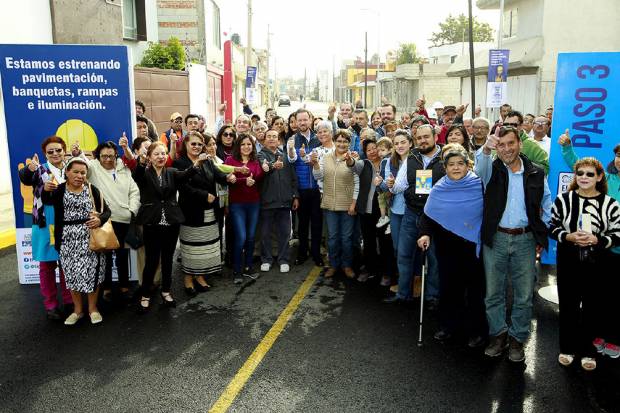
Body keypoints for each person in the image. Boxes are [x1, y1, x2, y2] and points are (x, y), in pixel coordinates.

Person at [474, 126, 552, 363]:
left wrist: (540, 234)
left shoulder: (536, 173)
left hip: (525, 240)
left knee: (524, 295)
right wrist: (486, 148)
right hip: (495, 239)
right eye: (501, 144)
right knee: (493, 293)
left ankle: (518, 339)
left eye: (511, 143)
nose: (506, 149)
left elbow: (546, 204)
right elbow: (480, 168)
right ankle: (498, 335)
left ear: (520, 143)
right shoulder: (491, 169)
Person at [549, 157, 620, 370]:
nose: (584, 177)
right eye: (580, 173)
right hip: (568, 260)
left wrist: (598, 240)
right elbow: (551, 227)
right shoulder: (563, 200)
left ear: (599, 177)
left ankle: (589, 352)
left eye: (590, 174)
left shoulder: (610, 203)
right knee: (569, 305)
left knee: (594, 307)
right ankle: (567, 348)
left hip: (599, 262)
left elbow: (618, 233)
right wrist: (568, 237)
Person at [417, 144, 487, 347]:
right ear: (445, 167)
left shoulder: (479, 184)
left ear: (468, 165)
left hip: (473, 245)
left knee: (475, 290)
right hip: (447, 245)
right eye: (451, 165)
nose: (456, 168)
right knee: (449, 288)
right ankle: (448, 327)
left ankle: (477, 331)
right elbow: (427, 216)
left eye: (460, 164)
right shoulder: (439, 188)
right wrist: (424, 234)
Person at [132, 142, 201, 312]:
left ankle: (166, 291)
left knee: (167, 259)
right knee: (151, 261)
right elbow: (136, 176)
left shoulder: (171, 172)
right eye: (156, 154)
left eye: (163, 154)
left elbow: (186, 174)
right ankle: (146, 295)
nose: (161, 157)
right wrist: (140, 162)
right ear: (149, 157)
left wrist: (197, 164)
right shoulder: (144, 173)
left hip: (172, 222)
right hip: (152, 222)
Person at [42, 156, 110, 325]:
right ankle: (78, 311)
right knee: (72, 276)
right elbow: (46, 200)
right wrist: (44, 189)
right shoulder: (59, 190)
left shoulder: (92, 189)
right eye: (76, 172)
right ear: (67, 172)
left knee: (93, 274)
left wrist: (100, 220)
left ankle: (93, 309)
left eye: (83, 173)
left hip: (91, 239)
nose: (80, 175)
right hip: (67, 240)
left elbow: (107, 211)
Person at [385, 125, 443, 306]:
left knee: (434, 258)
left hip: (435, 215)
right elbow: (400, 185)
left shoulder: (445, 156)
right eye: (419, 138)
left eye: (426, 136)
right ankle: (403, 294)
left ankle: (432, 297)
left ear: (435, 136)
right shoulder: (412, 157)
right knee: (403, 254)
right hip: (412, 212)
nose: (423, 140)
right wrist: (391, 185)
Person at [18, 136, 73, 320]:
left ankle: (69, 301)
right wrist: (29, 168)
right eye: (50, 152)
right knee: (47, 266)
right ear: (44, 154)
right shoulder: (39, 169)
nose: (55, 154)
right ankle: (51, 305)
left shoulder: (71, 168)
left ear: (64, 150)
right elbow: (26, 178)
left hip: (66, 222)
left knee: (67, 264)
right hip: (44, 221)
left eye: (58, 150)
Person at [174, 132, 232, 296]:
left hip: (209, 212)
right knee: (191, 247)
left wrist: (229, 177)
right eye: (193, 144)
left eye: (200, 144)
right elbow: (183, 187)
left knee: (205, 247)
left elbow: (217, 175)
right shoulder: (180, 162)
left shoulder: (207, 160)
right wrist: (203, 195)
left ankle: (200, 276)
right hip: (191, 212)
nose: (197, 147)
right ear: (186, 145)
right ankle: (188, 279)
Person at [84, 141, 140, 303]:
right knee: (105, 256)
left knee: (122, 254)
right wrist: (78, 154)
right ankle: (106, 288)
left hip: (123, 218)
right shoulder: (93, 168)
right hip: (103, 220)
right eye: (104, 156)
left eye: (111, 156)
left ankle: (124, 286)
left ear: (116, 155)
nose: (108, 159)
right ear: (98, 156)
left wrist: (131, 211)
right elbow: (81, 168)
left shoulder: (124, 169)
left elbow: (134, 192)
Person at [312, 129, 359, 278]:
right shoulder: (325, 157)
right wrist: (315, 165)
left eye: (345, 141)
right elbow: (319, 177)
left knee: (346, 239)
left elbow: (357, 183)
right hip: (330, 204)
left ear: (349, 143)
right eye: (339, 141)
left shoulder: (353, 159)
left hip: (347, 205)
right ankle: (333, 265)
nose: (341, 144)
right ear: (334, 141)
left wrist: (353, 204)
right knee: (332, 238)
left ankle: (347, 266)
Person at [352, 138, 395, 283]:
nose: (372, 151)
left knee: (385, 242)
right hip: (367, 209)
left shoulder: (387, 162)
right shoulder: (363, 164)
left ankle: (386, 272)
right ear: (364, 152)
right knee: (369, 241)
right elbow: (352, 166)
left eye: (374, 148)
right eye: (368, 149)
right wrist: (349, 160)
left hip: (384, 210)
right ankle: (369, 269)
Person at [257, 129, 299, 273]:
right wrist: (273, 166)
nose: (272, 139)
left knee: (285, 233)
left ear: (279, 140)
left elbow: (293, 179)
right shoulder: (260, 155)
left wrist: (295, 196)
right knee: (265, 233)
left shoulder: (285, 156)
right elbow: (264, 170)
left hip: (285, 201)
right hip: (267, 201)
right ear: (264, 139)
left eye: (274, 136)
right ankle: (267, 259)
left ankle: (283, 259)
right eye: (269, 136)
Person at [225, 133, 264, 283]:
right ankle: (237, 270)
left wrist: (254, 177)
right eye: (243, 144)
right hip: (237, 204)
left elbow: (259, 176)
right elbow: (227, 179)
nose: (246, 147)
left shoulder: (255, 161)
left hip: (253, 203)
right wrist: (242, 180)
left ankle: (248, 267)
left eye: (249, 144)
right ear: (238, 146)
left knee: (251, 237)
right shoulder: (230, 160)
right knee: (240, 237)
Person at [287, 109, 323, 267]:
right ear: (295, 122)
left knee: (316, 223)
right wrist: (295, 194)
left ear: (310, 120)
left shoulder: (319, 138)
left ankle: (316, 253)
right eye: (299, 120)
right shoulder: (292, 140)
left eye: (305, 120)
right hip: (300, 190)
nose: (302, 123)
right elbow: (290, 168)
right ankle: (302, 252)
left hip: (317, 190)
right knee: (302, 224)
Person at [380, 131, 414, 288]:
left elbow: (417, 186)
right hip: (395, 209)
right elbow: (389, 187)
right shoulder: (389, 162)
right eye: (397, 143)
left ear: (410, 143)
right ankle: (404, 281)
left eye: (403, 142)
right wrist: (389, 185)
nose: (400, 146)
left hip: (412, 210)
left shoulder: (417, 161)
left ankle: (409, 283)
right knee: (397, 247)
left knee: (409, 248)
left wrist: (395, 186)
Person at [375, 137, 393, 231]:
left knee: (384, 201)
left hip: (385, 186)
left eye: (383, 150)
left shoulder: (386, 160)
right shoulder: (389, 159)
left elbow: (383, 175)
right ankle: (386, 219)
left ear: (390, 149)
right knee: (387, 203)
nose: (380, 152)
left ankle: (384, 218)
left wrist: (379, 185)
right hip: (387, 185)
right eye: (379, 150)